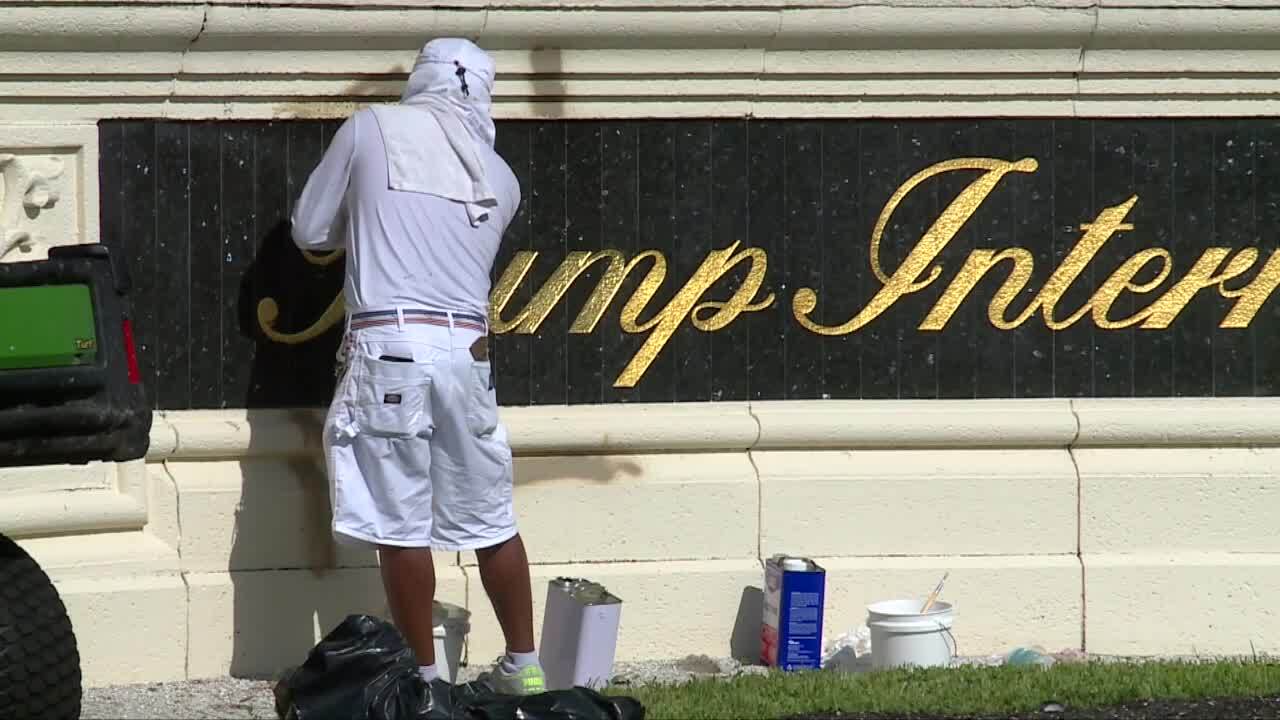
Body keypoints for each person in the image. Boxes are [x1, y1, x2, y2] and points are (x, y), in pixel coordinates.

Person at [290, 37, 543, 696]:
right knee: (492, 519)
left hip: (392, 353)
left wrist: (368, 221)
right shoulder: (503, 177)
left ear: (420, 80)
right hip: (468, 359)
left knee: (402, 524)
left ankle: (424, 681)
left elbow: (310, 229)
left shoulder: (370, 127)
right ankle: (526, 666)